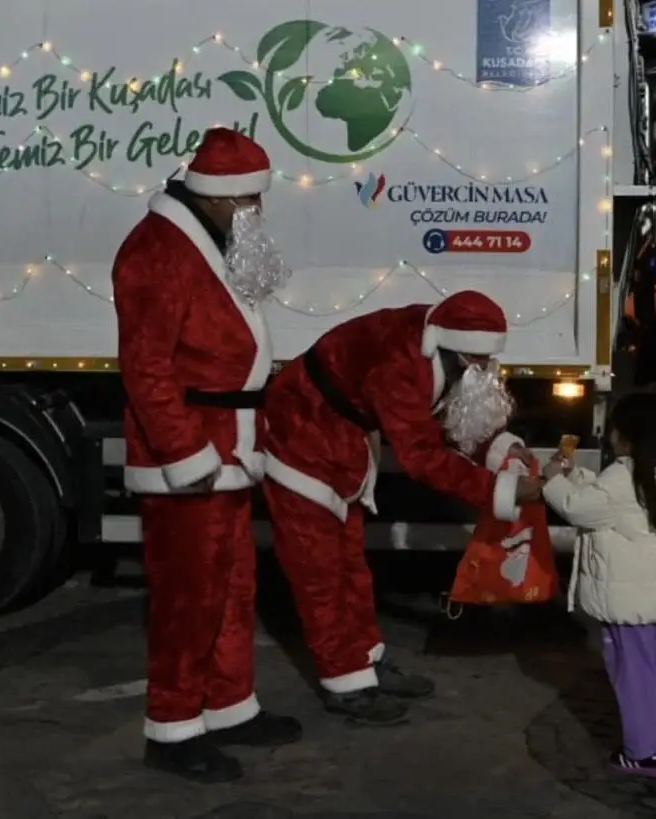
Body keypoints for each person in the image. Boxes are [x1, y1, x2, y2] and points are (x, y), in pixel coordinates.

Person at [112, 127, 302, 784]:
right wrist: (187, 453)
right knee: (186, 597)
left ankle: (229, 705)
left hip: (230, 447)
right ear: (217, 197)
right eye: (249, 199)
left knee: (233, 588)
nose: (257, 211)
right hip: (189, 455)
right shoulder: (156, 251)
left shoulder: (215, 243)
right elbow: (146, 365)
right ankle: (172, 727)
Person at [263, 290, 542, 725]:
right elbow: (422, 456)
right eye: (476, 362)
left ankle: (366, 661)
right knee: (320, 572)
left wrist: (502, 450)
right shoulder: (398, 366)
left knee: (352, 567)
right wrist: (501, 490)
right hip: (301, 436)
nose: (485, 371)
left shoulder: (443, 350)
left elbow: (459, 414)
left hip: (342, 442)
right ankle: (345, 683)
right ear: (449, 348)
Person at [540, 388, 656, 778]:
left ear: (625, 435)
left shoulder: (620, 476)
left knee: (632, 671)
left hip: (626, 596)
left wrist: (552, 479)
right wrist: (576, 473)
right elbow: (607, 498)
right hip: (655, 592)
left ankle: (645, 752)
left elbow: (579, 508)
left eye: (613, 429)